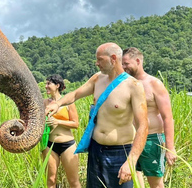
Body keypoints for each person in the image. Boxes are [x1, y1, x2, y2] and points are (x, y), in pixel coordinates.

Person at [46, 42, 148, 188]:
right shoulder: (97, 79)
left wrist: (131, 161)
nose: (96, 63)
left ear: (113, 58)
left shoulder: (134, 86)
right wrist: (57, 104)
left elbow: (143, 126)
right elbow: (75, 94)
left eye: (100, 59)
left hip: (120, 152)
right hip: (96, 150)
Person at [122, 47, 177, 188]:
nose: (123, 67)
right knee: (130, 178)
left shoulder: (153, 84)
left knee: (155, 183)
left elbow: (167, 117)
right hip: (129, 139)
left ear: (138, 61)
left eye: (126, 63)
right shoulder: (125, 84)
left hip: (151, 139)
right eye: (122, 64)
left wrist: (170, 148)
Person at [42, 74, 81, 188]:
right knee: (50, 180)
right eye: (46, 83)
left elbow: (75, 124)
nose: (46, 86)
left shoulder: (68, 103)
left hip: (67, 145)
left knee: (73, 181)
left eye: (49, 83)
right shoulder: (44, 103)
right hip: (49, 145)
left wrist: (57, 122)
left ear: (57, 85)